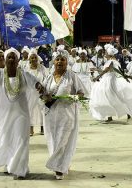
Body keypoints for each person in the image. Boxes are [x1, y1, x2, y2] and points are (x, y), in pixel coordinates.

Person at [0, 48, 43, 179]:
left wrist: (39, 87)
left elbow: (36, 83)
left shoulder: (24, 74)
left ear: (17, 60)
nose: (10, 60)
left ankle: (20, 169)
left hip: (21, 114)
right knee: (7, 141)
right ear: (4, 60)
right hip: (4, 116)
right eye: (8, 57)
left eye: (13, 57)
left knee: (21, 139)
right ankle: (8, 164)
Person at [41, 47, 85, 180]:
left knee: (62, 140)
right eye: (57, 60)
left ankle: (58, 168)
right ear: (54, 62)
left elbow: (81, 92)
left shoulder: (71, 75)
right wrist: (45, 97)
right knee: (53, 140)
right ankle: (62, 163)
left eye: (63, 60)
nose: (60, 62)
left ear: (67, 62)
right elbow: (42, 93)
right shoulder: (49, 76)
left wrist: (74, 97)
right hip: (50, 114)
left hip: (67, 115)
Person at [26, 48, 48, 136]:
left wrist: (42, 86)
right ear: (29, 59)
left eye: (35, 57)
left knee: (41, 109)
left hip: (41, 92)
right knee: (30, 110)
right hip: (30, 92)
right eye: (32, 58)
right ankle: (31, 129)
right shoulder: (26, 69)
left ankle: (42, 128)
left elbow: (47, 77)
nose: (34, 59)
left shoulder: (42, 68)